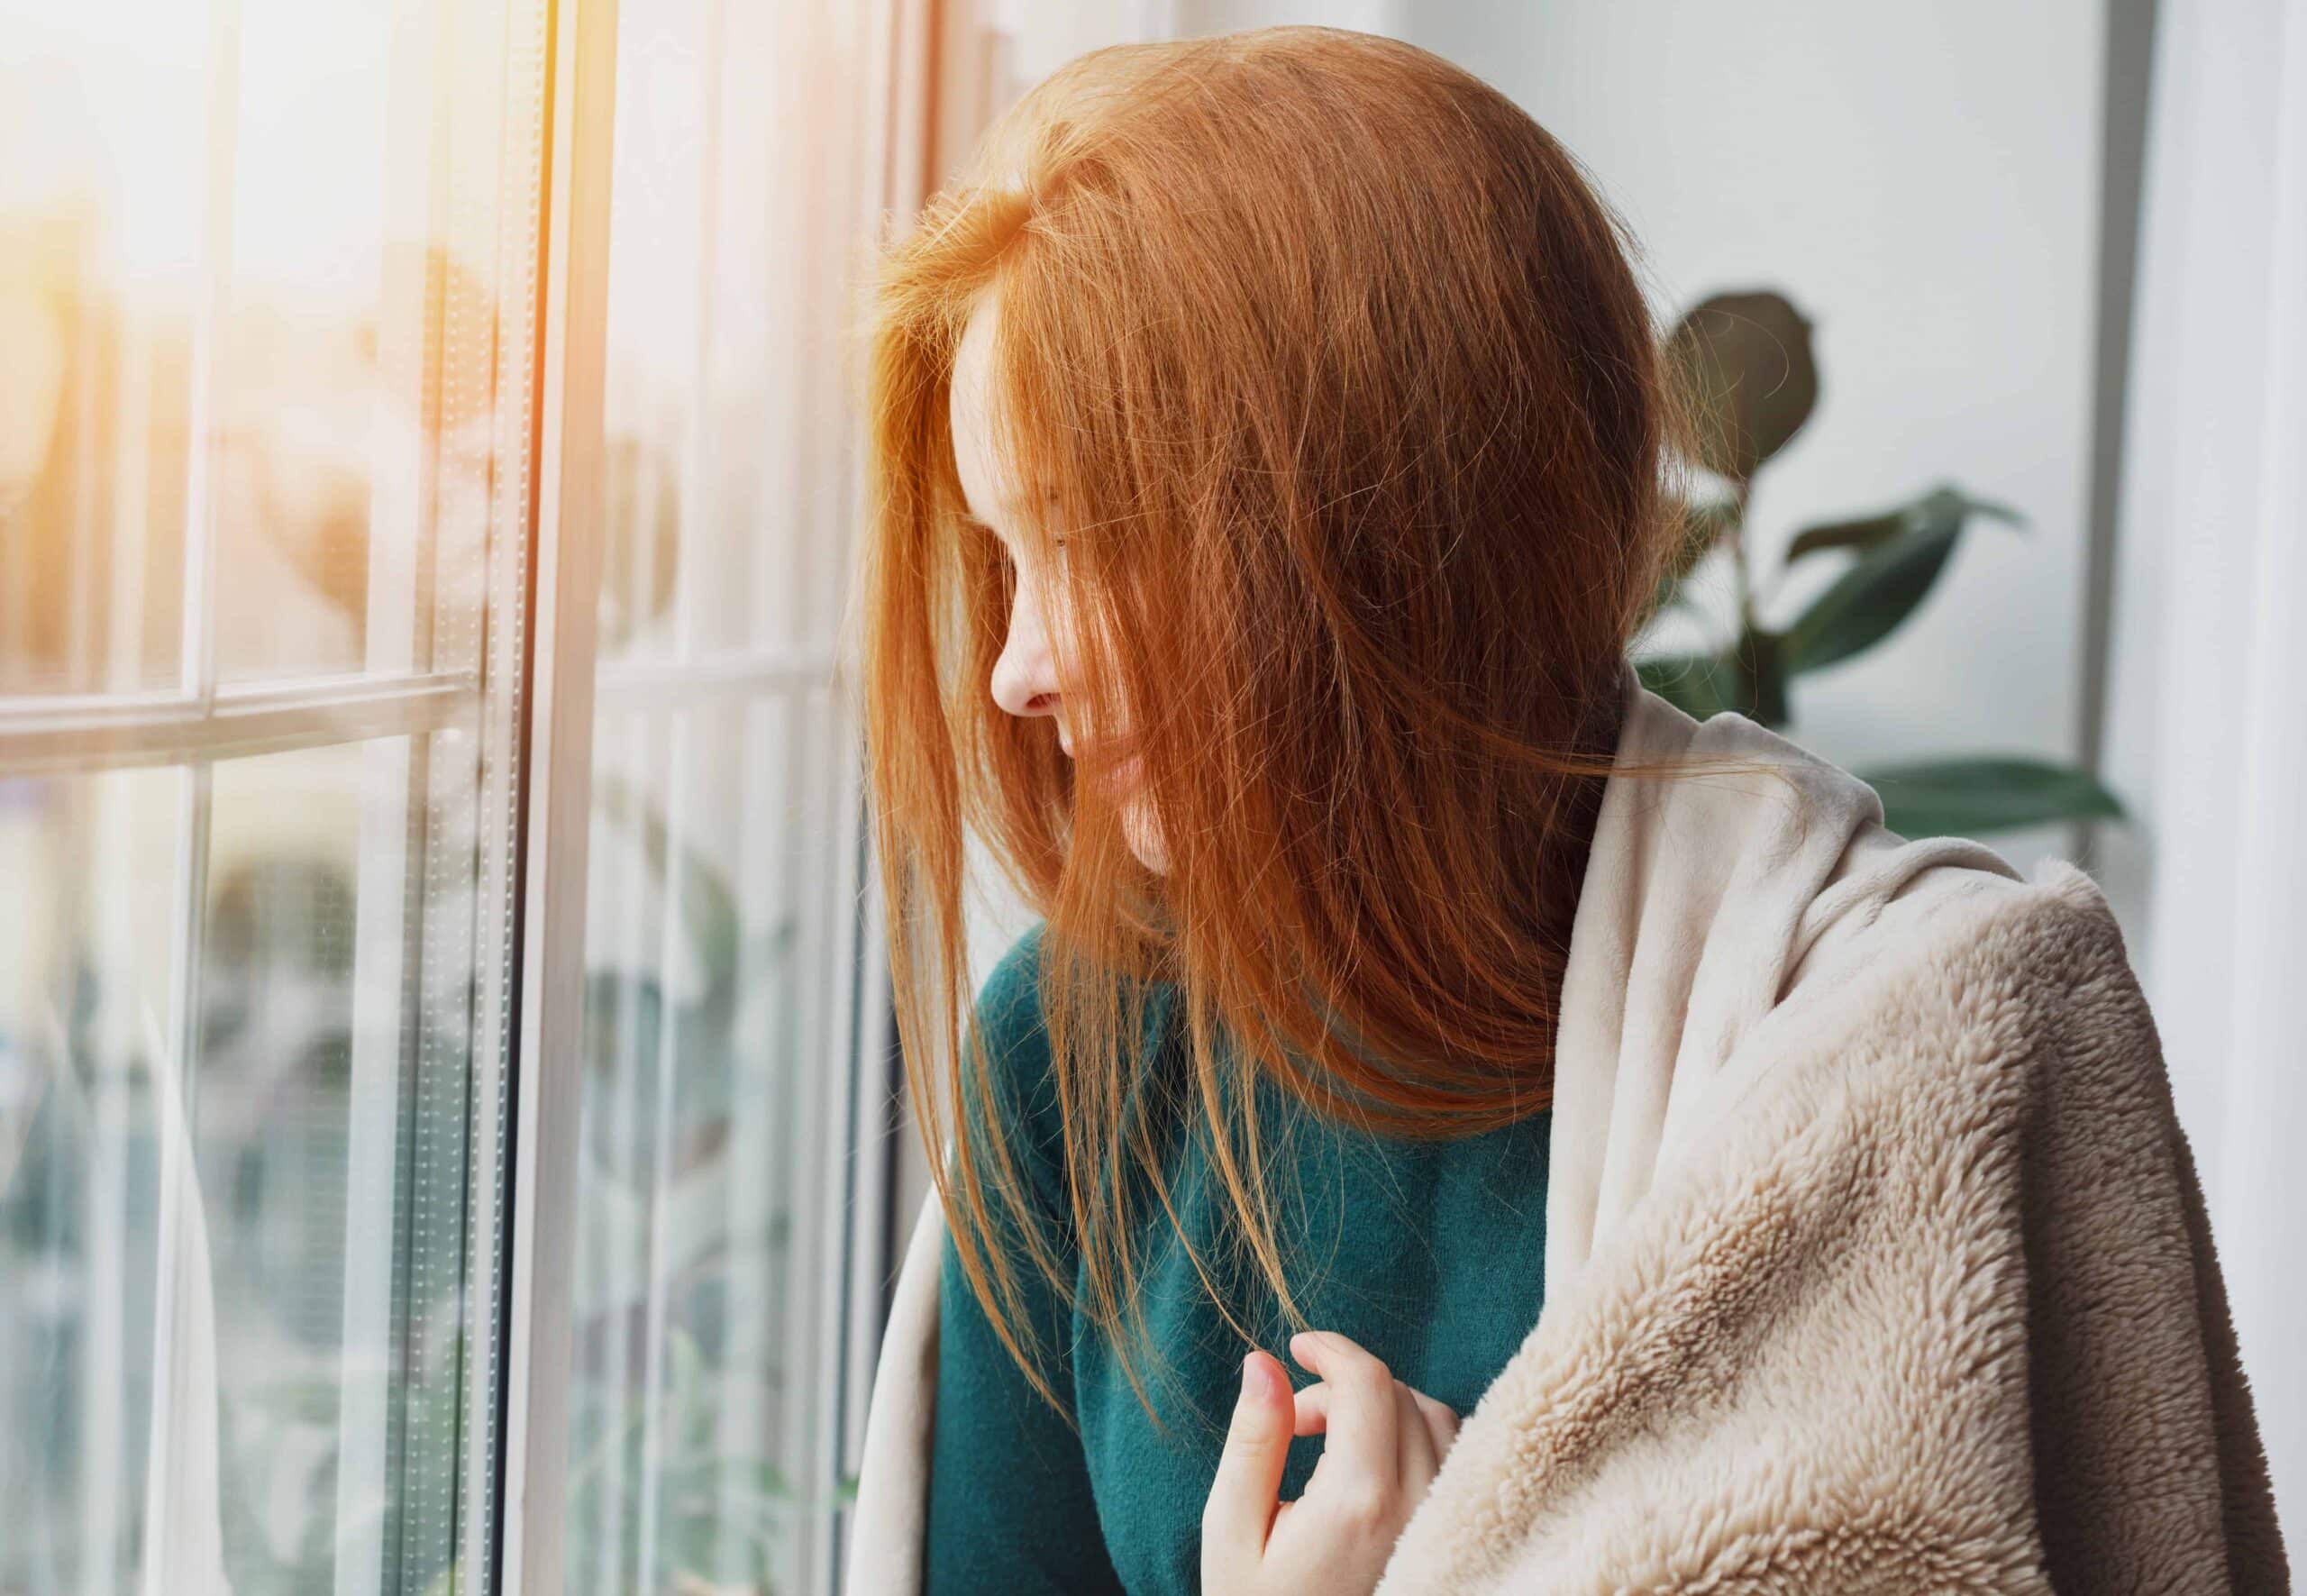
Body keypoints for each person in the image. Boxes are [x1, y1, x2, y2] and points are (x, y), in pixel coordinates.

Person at [845, 23, 2283, 1596]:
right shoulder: (1072, 1063)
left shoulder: (1900, 1038)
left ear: (1387, 524)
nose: (1015, 670)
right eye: (1007, 556)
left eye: (1094, 542)